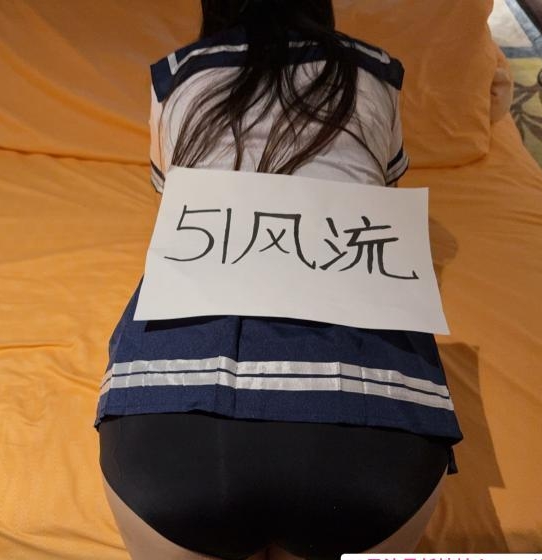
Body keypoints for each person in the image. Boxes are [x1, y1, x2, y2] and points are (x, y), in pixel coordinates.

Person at [94, 1, 463, 558]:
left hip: (171, 423)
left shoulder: (178, 73)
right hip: (379, 432)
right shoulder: (376, 71)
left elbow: (176, 202)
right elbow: (380, 194)